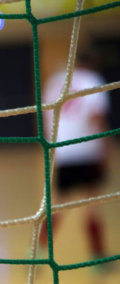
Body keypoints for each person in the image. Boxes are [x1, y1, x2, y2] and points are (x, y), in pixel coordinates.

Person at [39, 49, 112, 267]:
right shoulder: (93, 80)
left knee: (58, 205)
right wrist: (107, 148)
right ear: (93, 64)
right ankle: (98, 258)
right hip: (88, 150)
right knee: (92, 205)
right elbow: (97, 117)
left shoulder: (55, 82)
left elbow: (46, 118)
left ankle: (38, 251)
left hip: (63, 151)